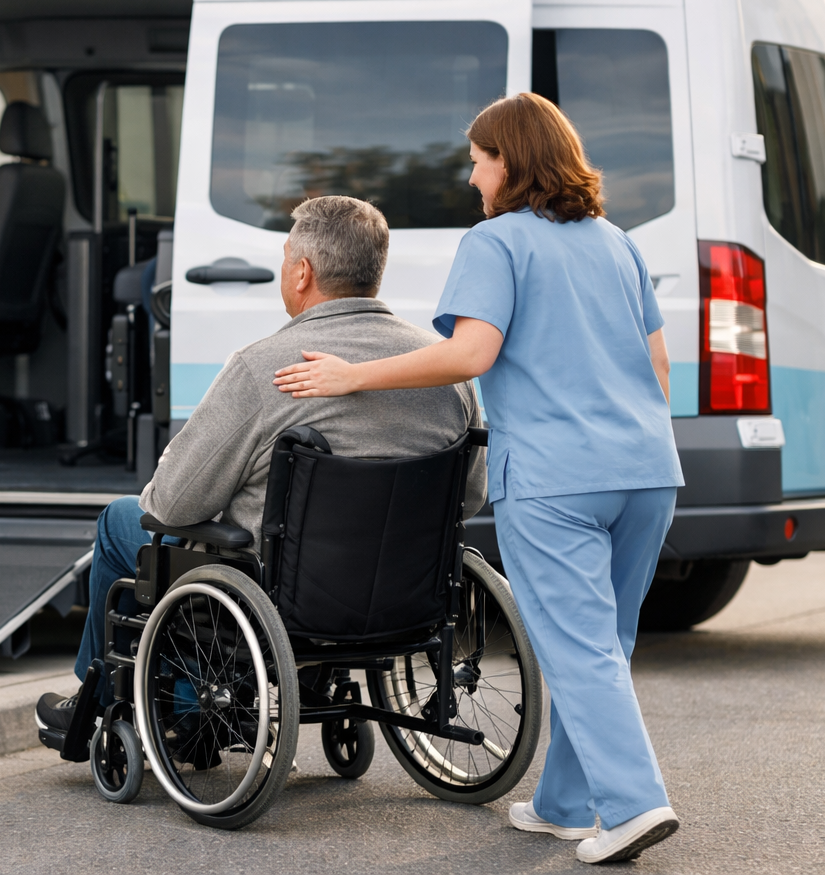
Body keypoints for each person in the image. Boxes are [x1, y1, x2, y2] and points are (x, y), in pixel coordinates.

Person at [272, 93, 684, 865]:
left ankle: (632, 806)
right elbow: (658, 369)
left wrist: (350, 377)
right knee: (602, 644)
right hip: (648, 470)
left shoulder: (497, 243)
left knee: (579, 649)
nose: (471, 177)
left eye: (478, 159)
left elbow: (470, 354)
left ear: (511, 161)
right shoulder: (617, 243)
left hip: (558, 479)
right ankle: (564, 803)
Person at [37, 195, 486, 732]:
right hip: (407, 595)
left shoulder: (263, 368)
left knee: (121, 520)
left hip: (277, 591)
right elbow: (471, 497)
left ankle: (101, 703)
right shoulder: (441, 370)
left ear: (302, 273)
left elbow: (173, 504)